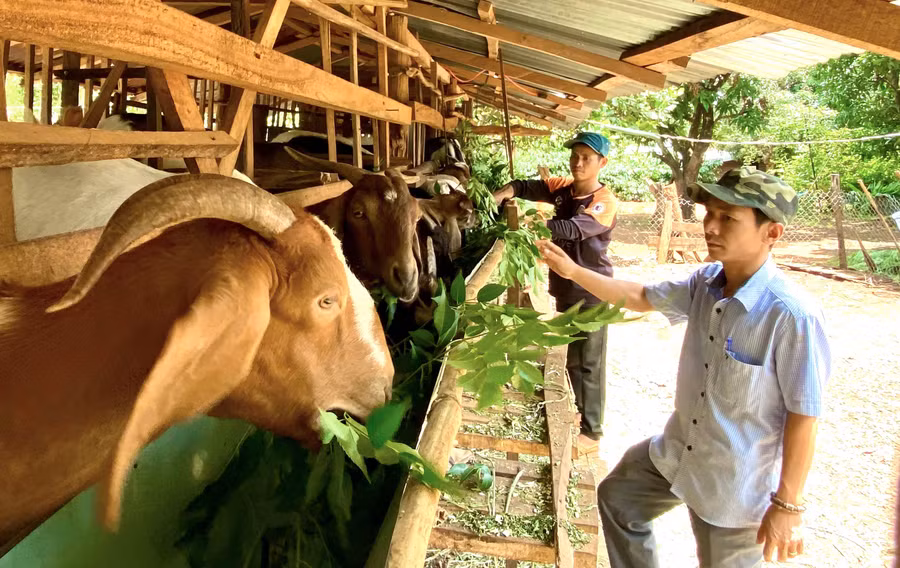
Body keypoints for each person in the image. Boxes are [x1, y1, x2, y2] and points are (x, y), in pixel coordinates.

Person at [537, 166, 831, 567]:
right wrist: (572, 272)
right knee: (619, 498)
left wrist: (788, 504)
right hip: (679, 453)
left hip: (733, 484)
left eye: (728, 218)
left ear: (772, 233)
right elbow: (640, 295)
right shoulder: (706, 282)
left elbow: (804, 414)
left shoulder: (792, 316)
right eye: (709, 213)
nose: (711, 226)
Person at [492, 132, 617, 452]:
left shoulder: (603, 202)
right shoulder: (563, 188)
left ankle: (593, 432)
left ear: (602, 163)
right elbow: (527, 186)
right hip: (566, 288)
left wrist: (530, 225)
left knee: (590, 362)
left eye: (586, 158)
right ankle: (580, 415)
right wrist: (506, 191)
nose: (578, 163)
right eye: (575, 156)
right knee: (574, 360)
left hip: (592, 289)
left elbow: (574, 229)